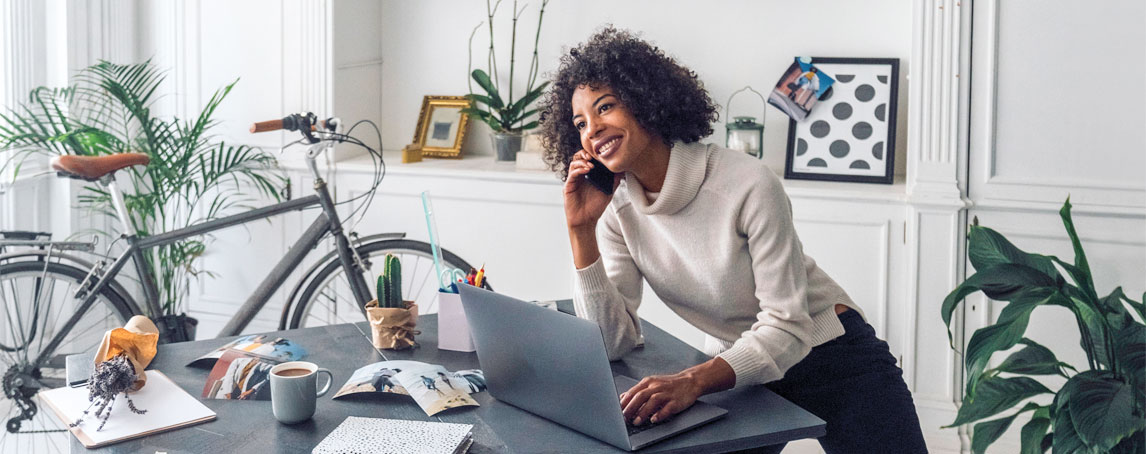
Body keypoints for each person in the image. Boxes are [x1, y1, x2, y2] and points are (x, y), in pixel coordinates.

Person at [538, 27, 926, 453]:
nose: (592, 130)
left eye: (605, 107)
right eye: (580, 123)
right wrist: (581, 232)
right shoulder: (616, 209)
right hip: (740, 367)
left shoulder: (746, 183)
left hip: (832, 355)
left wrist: (693, 380)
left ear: (646, 101)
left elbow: (788, 325)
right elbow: (612, 341)